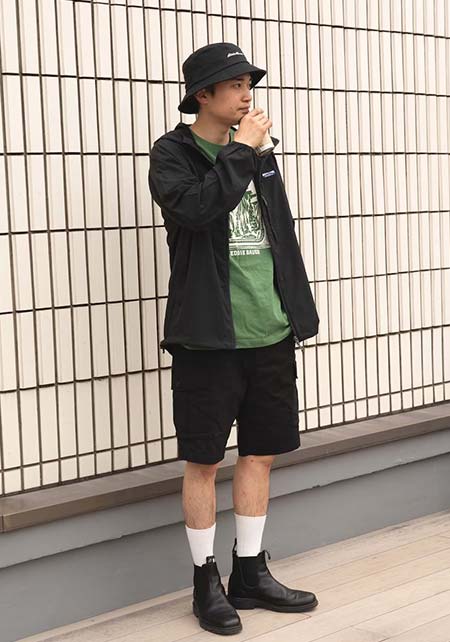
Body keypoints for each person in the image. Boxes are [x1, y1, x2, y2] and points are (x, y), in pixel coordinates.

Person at [148, 42, 320, 636]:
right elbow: (197, 211)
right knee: (203, 460)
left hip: (269, 329)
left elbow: (280, 234)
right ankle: (206, 580)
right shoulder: (172, 154)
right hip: (209, 338)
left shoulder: (257, 151)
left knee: (260, 453)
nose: (248, 95)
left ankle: (251, 570)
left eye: (250, 84)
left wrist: (295, 309)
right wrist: (242, 150)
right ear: (204, 94)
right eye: (236, 85)